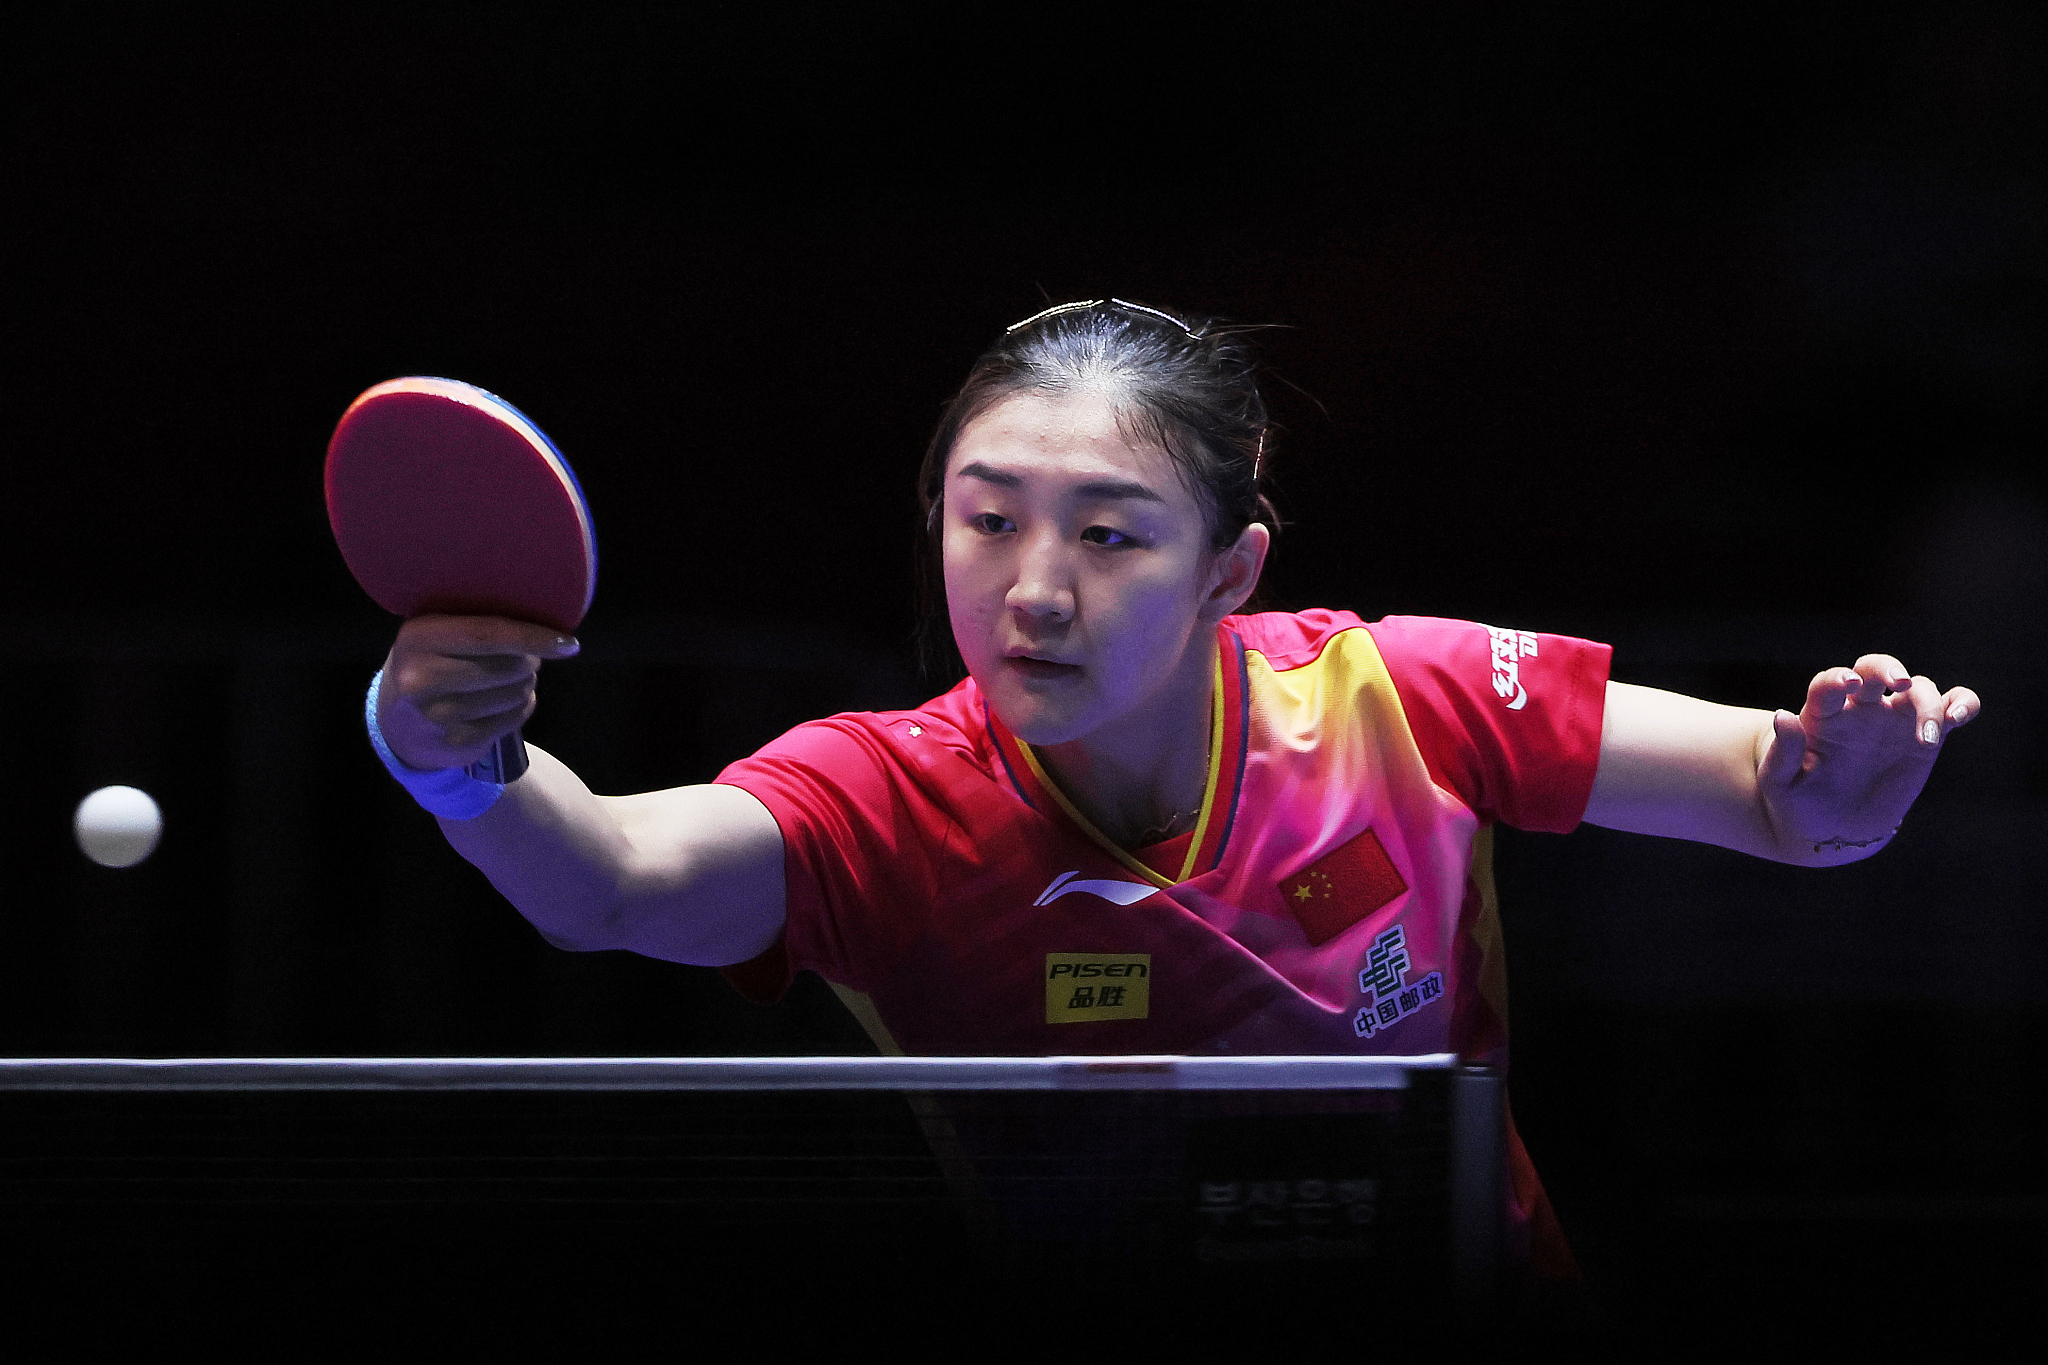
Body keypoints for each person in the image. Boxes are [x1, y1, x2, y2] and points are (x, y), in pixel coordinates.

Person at [365, 297, 1979, 1282]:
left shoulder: (1393, 700)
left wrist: (1851, 773)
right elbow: (611, 881)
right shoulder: (887, 800)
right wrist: (456, 758)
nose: (1034, 588)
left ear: (1231, 568)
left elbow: (1783, 802)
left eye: (1108, 533)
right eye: (988, 519)